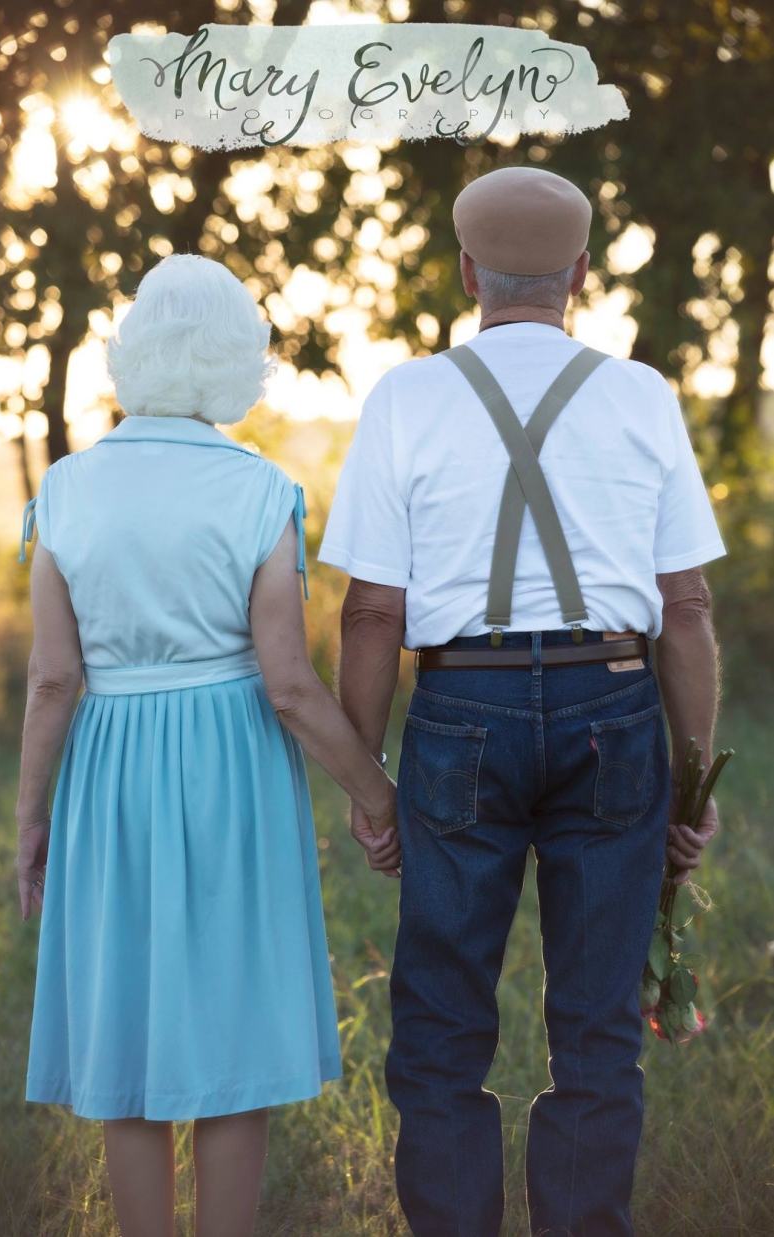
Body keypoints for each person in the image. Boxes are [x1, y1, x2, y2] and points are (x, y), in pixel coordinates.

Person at [318, 165, 726, 1237]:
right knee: (598, 1029)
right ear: (580, 275)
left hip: (462, 710)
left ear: (467, 273)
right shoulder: (642, 395)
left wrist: (371, 785)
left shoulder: (405, 395)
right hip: (617, 702)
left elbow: (369, 616)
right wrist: (690, 781)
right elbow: (685, 609)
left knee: (444, 1025)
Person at [13, 253, 401, 1237]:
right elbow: (288, 684)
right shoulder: (260, 490)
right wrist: (373, 789)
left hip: (107, 771)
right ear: (239, 360)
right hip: (230, 768)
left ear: (132, 351)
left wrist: (31, 818)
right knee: (233, 1020)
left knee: (127, 1039)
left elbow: (53, 678)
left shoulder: (66, 487)